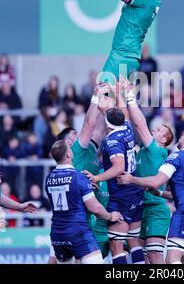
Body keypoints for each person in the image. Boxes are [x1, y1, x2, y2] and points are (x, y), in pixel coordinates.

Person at [118, 129, 184, 264]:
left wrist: (131, 179)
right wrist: (160, 193)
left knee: (172, 260)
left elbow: (156, 181)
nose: (179, 138)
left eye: (182, 136)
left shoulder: (177, 156)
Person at [54, 85, 110, 259]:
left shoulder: (88, 148)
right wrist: (96, 97)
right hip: (78, 213)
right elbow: (89, 124)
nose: (77, 134)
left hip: (70, 217)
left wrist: (105, 106)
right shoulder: (77, 148)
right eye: (73, 134)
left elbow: (100, 129)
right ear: (67, 144)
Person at [83, 107, 145, 264]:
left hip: (121, 196)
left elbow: (118, 167)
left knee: (116, 246)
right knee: (133, 242)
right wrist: (118, 92)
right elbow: (122, 113)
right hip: (135, 192)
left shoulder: (112, 141)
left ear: (107, 124)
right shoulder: (127, 128)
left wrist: (97, 177)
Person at [45, 140, 122, 264]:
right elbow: (94, 208)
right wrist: (110, 216)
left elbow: (68, 197)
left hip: (57, 234)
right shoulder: (79, 178)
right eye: (70, 149)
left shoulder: (49, 178)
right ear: (69, 155)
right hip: (77, 232)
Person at [124, 80, 174, 263]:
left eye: (159, 129)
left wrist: (130, 96)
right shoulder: (142, 150)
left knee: (154, 255)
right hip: (140, 206)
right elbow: (132, 124)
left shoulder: (157, 150)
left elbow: (141, 125)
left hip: (155, 208)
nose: (155, 128)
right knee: (143, 256)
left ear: (163, 140)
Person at [99, 0, 161, 83]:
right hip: (131, 56)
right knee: (120, 100)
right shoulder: (151, 1)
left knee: (101, 97)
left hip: (122, 53)